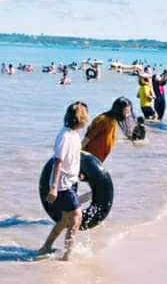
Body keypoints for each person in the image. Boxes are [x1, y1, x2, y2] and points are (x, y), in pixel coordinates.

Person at [38, 102, 90, 261]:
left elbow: (72, 158)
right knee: (76, 218)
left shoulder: (74, 135)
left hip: (71, 181)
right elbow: (58, 162)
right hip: (62, 185)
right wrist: (53, 187)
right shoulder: (65, 136)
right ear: (81, 118)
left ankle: (46, 247)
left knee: (65, 220)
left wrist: (78, 173)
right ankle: (67, 256)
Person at [82, 97, 133, 162]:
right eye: (126, 111)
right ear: (118, 110)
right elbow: (87, 138)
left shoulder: (114, 121)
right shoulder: (103, 120)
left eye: (129, 111)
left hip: (98, 159)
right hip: (89, 159)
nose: (128, 114)